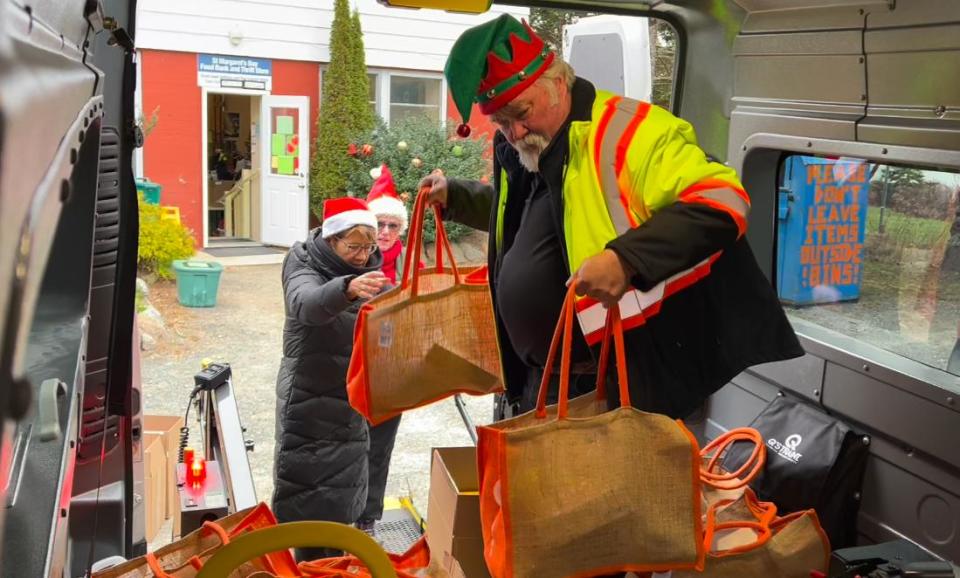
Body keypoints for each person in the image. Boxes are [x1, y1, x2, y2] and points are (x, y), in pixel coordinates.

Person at [420, 14, 804, 420]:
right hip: (541, 380)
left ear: (556, 82)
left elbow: (723, 200)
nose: (513, 132)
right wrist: (457, 198)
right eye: (500, 121)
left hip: (614, 382)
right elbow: (533, 218)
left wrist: (626, 259)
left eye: (520, 112)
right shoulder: (528, 144)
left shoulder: (635, 132)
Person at [272, 197, 389, 562]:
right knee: (308, 496)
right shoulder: (302, 263)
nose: (361, 255)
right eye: (353, 247)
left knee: (342, 493)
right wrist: (347, 289)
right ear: (331, 239)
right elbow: (306, 305)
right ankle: (309, 565)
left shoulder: (369, 275)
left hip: (349, 398)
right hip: (309, 399)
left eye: (368, 248)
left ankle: (334, 562)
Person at [366, 164, 411, 285]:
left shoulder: (411, 260)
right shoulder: (353, 258)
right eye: (379, 224)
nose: (386, 232)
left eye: (393, 226)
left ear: (400, 230)